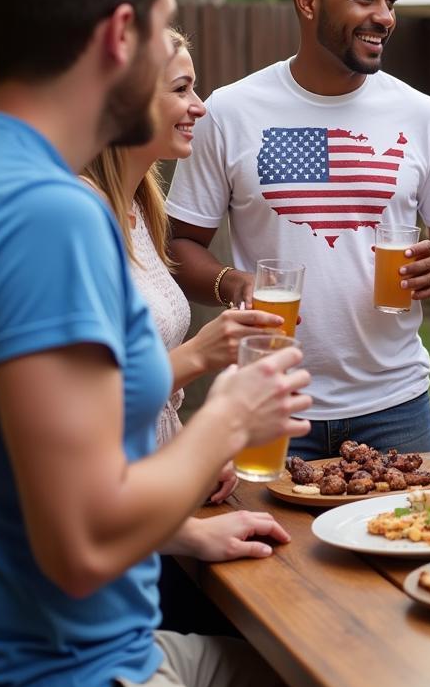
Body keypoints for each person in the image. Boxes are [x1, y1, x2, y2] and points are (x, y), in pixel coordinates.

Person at [0, 0, 313, 687]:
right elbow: (84, 543)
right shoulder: (43, 213)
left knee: (322, 676)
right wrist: (232, 416)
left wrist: (185, 532)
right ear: (119, 36)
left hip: (100, 646)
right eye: (165, 22)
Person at [166, 0, 430, 459]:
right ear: (308, 1)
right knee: (270, 544)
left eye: (390, 0)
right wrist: (232, 281)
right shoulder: (230, 111)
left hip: (396, 406)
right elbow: (180, 246)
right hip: (273, 400)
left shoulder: (424, 115)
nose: (385, 16)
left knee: (409, 539)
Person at [83, 28, 292, 569]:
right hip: (110, 527)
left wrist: (189, 458)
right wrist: (201, 354)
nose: (199, 107)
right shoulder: (77, 217)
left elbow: (143, 389)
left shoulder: (140, 208)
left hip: (159, 502)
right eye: (181, 90)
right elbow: (88, 408)